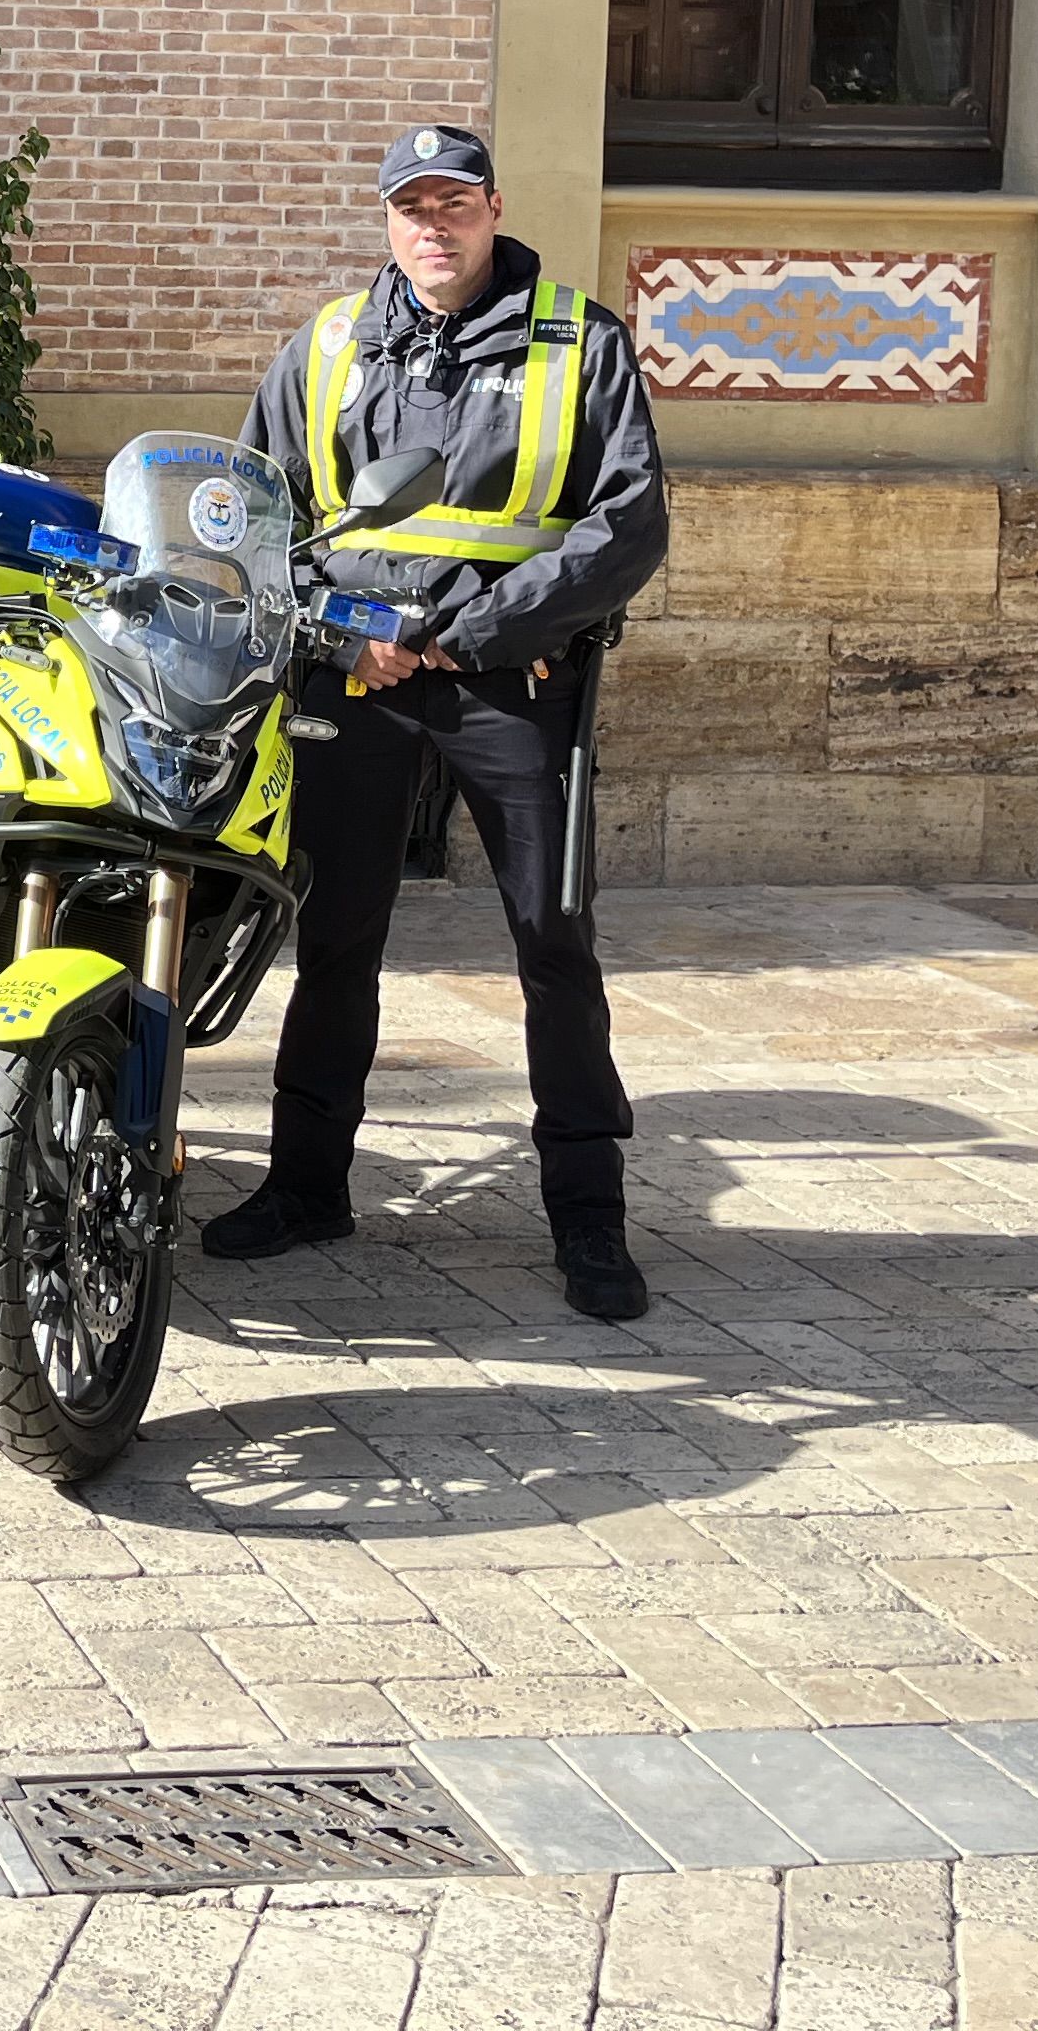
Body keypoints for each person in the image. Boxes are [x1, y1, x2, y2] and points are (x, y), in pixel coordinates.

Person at [214, 123, 672, 1320]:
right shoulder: (325, 345)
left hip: (511, 683)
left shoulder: (580, 343)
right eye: (411, 206)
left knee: (553, 946)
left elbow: (627, 527)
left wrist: (470, 629)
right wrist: (334, 624)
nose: (433, 224)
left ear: (493, 207)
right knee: (333, 942)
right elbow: (260, 519)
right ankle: (307, 1187)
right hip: (351, 681)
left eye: (453, 203)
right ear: (385, 221)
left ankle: (588, 1218)